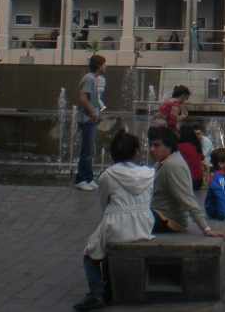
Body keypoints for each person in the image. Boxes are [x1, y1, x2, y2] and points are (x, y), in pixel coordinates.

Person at [72, 130, 154, 312]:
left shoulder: (108, 175)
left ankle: (97, 293)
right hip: (144, 224)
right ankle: (108, 288)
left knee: (90, 254)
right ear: (136, 152)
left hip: (116, 223)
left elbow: (103, 202)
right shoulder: (149, 173)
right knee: (104, 246)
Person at [147, 127, 225, 239]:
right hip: (160, 214)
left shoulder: (172, 166)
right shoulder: (167, 160)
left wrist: (205, 228)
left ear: (169, 146)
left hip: (169, 220)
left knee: (128, 220)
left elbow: (188, 198)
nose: (151, 149)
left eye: (156, 145)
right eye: (150, 145)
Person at [74, 55, 106, 191]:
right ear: (99, 66)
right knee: (86, 151)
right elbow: (82, 99)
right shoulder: (89, 78)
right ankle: (80, 179)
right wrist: (92, 113)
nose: (105, 67)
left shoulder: (92, 79)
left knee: (90, 150)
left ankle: (88, 178)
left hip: (91, 120)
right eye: (104, 64)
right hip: (87, 120)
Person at [177, 124, 205, 193]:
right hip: (199, 181)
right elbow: (202, 158)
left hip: (188, 181)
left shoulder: (178, 147)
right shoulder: (196, 145)